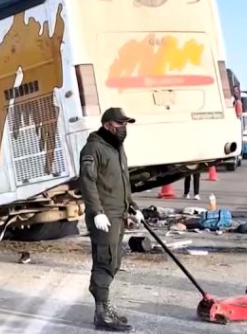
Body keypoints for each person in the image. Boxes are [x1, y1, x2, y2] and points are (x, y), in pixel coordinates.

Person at [78, 107, 144, 332]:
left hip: (118, 214)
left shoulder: (117, 148)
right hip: (104, 216)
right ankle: (102, 313)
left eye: (125, 124)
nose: (124, 128)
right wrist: (97, 212)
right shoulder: (93, 148)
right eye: (120, 124)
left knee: (114, 261)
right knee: (105, 261)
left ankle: (104, 305)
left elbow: (123, 182)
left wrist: (133, 207)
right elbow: (87, 182)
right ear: (107, 125)